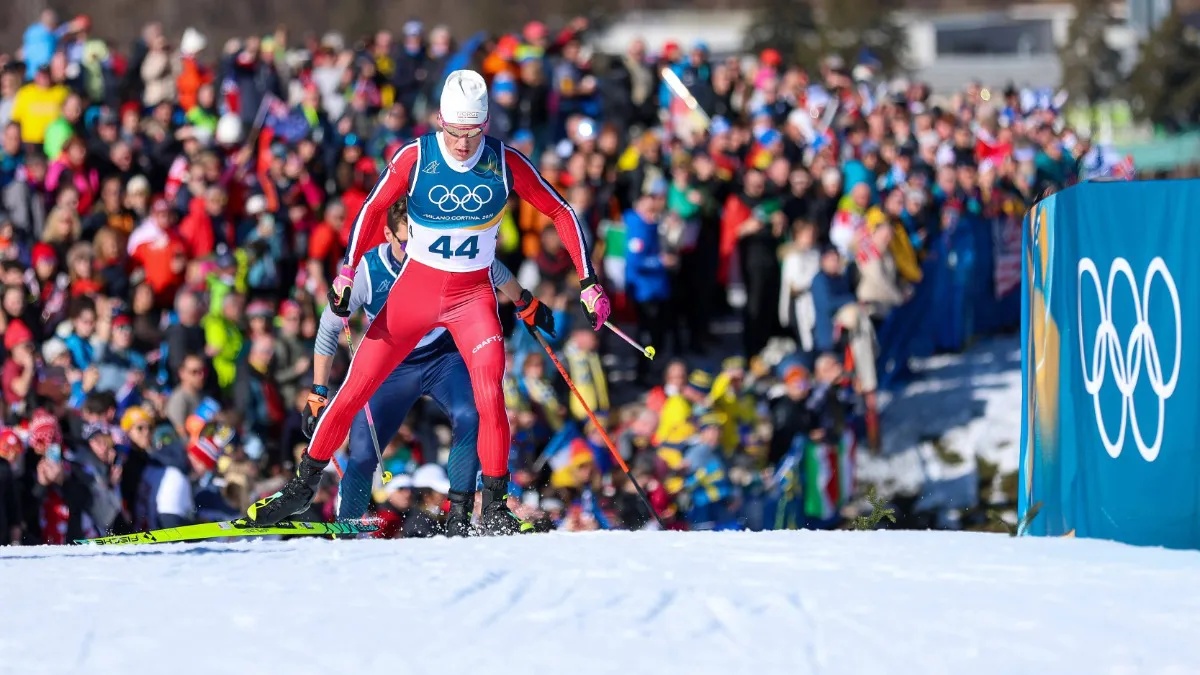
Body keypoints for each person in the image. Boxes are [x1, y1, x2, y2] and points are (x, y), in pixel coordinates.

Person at [248, 70, 608, 535]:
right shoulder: (415, 157)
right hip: (414, 294)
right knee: (354, 389)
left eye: (473, 132)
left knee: (489, 395)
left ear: (485, 124)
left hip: (472, 300)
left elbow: (561, 210)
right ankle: (301, 488)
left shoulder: (504, 162)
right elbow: (372, 209)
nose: (463, 143)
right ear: (440, 120)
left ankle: (493, 507)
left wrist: (588, 281)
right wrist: (346, 270)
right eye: (455, 131)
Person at [305, 199, 548, 536]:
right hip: (393, 366)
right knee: (362, 451)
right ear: (388, 235)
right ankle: (347, 530)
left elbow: (492, 268)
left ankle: (459, 518)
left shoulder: (439, 252)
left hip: (442, 359)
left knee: (472, 414)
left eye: (420, 239)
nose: (414, 250)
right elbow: (329, 326)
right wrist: (318, 392)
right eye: (406, 242)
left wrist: (525, 301)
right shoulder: (368, 271)